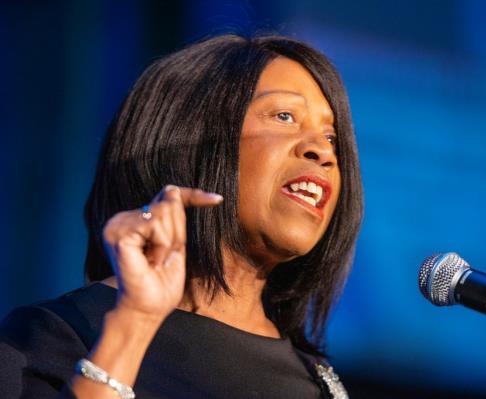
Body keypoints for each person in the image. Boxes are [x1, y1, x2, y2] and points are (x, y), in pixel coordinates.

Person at [0, 34, 363, 399]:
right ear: (193, 139)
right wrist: (134, 322)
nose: (323, 152)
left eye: (332, 138)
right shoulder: (57, 336)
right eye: (284, 116)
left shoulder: (316, 382)